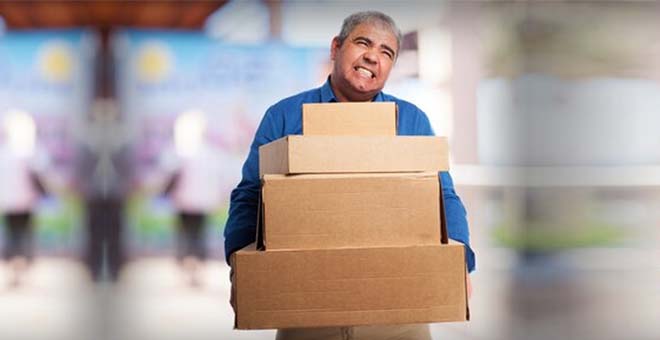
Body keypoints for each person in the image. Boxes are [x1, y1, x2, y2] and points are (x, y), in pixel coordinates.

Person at [224, 11, 475, 340]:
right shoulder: (285, 116)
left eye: (387, 52)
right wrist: (241, 265)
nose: (373, 56)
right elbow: (250, 194)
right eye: (363, 43)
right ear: (335, 48)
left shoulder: (411, 121)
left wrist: (459, 259)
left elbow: (443, 196)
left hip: (398, 307)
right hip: (307, 305)